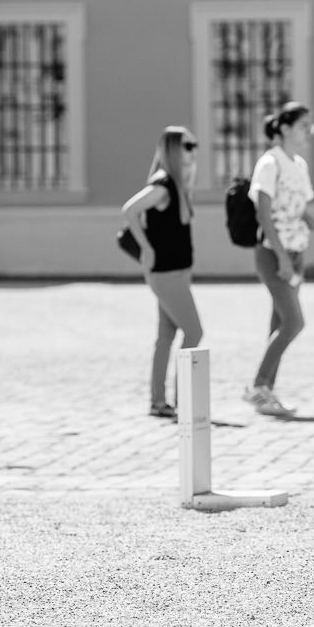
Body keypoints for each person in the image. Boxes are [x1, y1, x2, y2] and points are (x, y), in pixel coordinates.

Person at [243, 101, 314, 416]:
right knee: (294, 322)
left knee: (280, 323)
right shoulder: (270, 163)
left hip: (297, 252)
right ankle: (257, 386)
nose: (309, 131)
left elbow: (300, 211)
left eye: (310, 126)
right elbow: (263, 213)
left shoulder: (298, 164)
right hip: (274, 255)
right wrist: (283, 259)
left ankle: (265, 392)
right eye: (304, 125)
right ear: (285, 128)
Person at [120, 126, 204, 418]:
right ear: (172, 150)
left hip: (177, 272)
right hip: (164, 273)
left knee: (166, 336)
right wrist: (146, 248)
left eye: (195, 145)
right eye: (188, 146)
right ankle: (184, 402)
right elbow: (129, 210)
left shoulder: (178, 185)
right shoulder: (162, 185)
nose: (193, 150)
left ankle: (158, 402)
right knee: (194, 331)